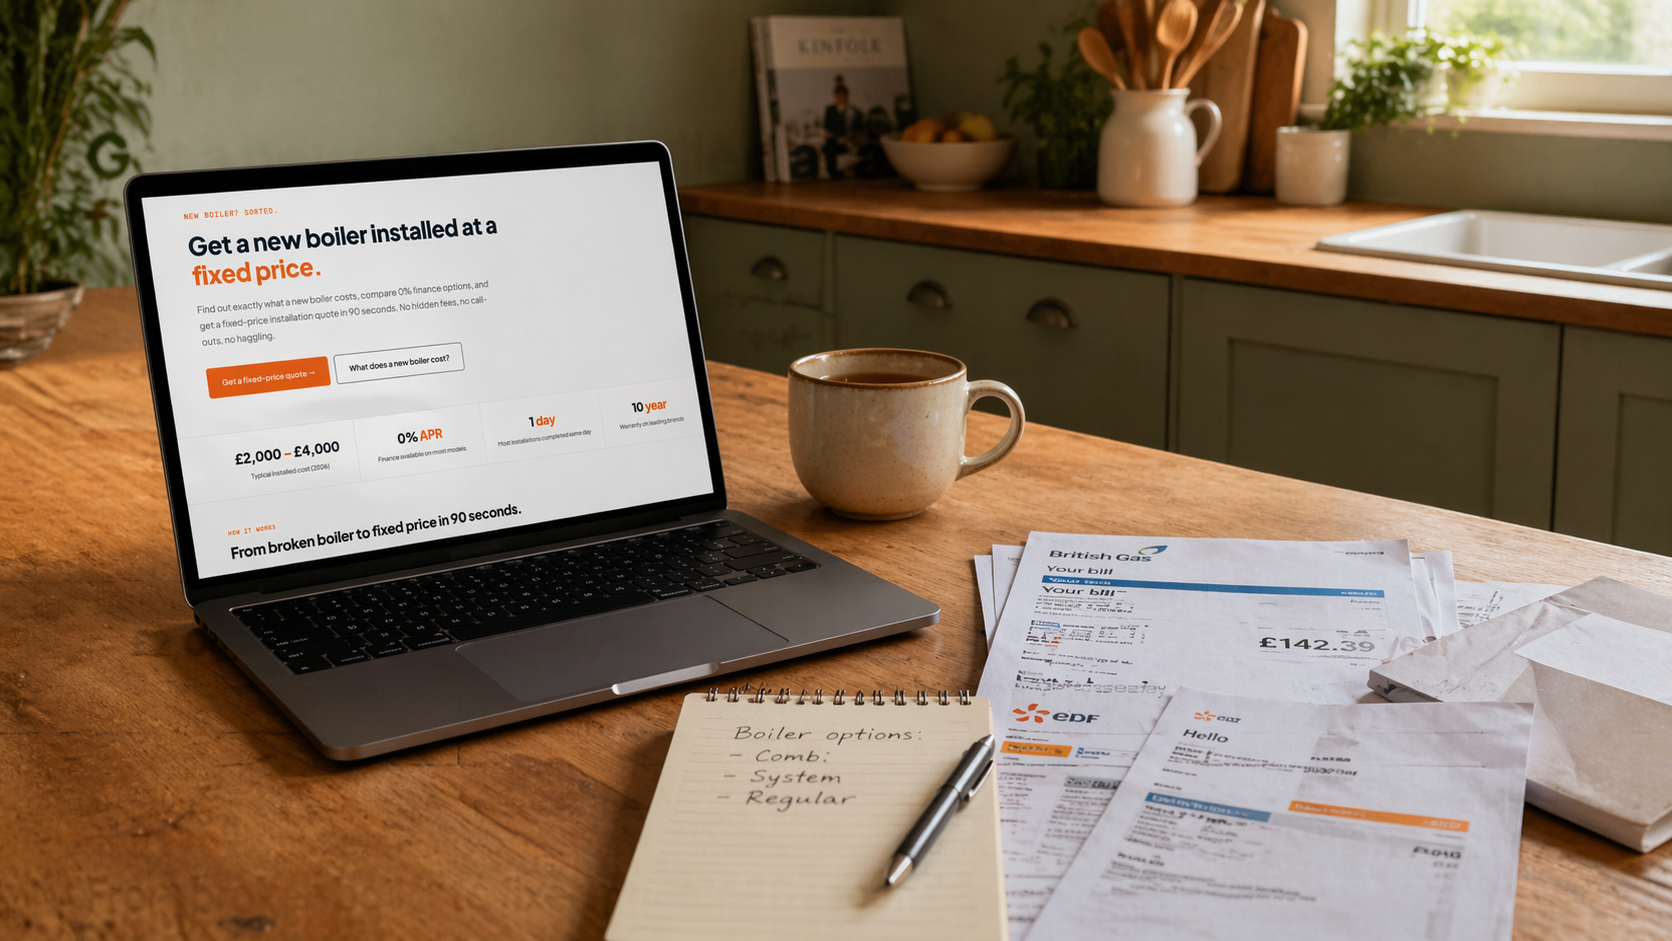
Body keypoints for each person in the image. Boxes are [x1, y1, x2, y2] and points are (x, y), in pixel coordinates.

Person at [822, 76, 865, 179]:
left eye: (842, 94)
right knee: (829, 144)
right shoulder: (830, 109)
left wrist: (845, 137)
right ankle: (833, 172)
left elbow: (856, 127)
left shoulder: (852, 110)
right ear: (835, 95)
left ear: (846, 95)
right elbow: (826, 126)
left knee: (831, 145)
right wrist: (833, 136)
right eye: (838, 94)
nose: (840, 96)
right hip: (833, 139)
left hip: (846, 140)